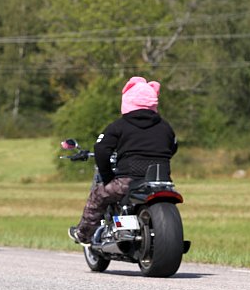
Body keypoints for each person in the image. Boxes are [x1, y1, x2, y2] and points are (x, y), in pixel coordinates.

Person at [68, 76, 178, 244]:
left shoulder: (119, 125)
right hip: (161, 181)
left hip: (128, 180)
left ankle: (84, 234)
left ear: (128, 100)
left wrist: (107, 177)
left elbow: (101, 149)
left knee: (98, 195)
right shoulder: (165, 126)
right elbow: (173, 146)